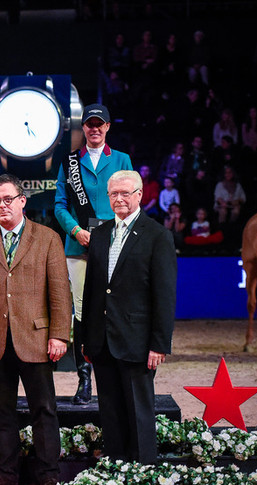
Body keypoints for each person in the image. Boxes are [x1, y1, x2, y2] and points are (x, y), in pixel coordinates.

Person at [0, 173, 71, 485]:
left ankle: (49, 475)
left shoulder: (48, 237)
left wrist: (60, 335)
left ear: (22, 201)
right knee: (0, 412)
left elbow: (60, 292)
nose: (2, 205)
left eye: (8, 199)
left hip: (37, 339)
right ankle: (5, 474)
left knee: (44, 410)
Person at [82, 170, 176, 464]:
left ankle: (142, 472)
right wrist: (86, 339)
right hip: (102, 340)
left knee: (139, 410)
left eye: (126, 193)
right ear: (108, 197)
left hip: (138, 342)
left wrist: (159, 344)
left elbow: (164, 294)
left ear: (139, 195)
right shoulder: (98, 234)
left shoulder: (158, 235)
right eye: (114, 194)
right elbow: (93, 291)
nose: (119, 199)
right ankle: (117, 465)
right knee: (109, 409)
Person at [54, 103, 132, 406]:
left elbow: (129, 202)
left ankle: (116, 375)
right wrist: (77, 231)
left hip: (115, 245)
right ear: (83, 128)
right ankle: (84, 379)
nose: (95, 129)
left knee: (115, 307)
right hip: (79, 247)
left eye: (100, 124)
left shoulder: (123, 159)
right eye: (90, 124)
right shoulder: (70, 161)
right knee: (81, 313)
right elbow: (60, 206)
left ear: (108, 127)